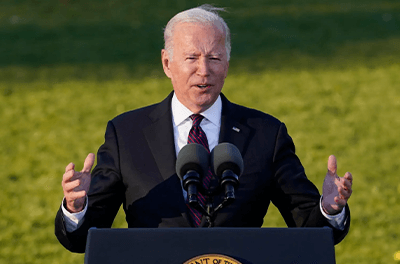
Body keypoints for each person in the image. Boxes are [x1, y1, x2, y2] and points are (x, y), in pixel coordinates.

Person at [55, 4, 353, 253]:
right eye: (192, 58)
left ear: (227, 62)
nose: (204, 70)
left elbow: (311, 232)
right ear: (167, 63)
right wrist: (76, 206)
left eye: (214, 58)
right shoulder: (127, 134)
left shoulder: (265, 134)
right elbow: (84, 239)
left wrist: (329, 209)